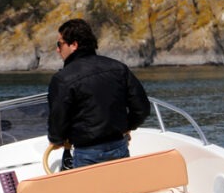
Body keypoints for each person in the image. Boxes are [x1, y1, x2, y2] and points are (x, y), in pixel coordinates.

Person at [47, 18, 150, 169]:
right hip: (119, 146)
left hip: (87, 153)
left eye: (59, 44)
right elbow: (142, 109)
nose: (57, 49)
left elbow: (58, 121)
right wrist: (126, 127)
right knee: (121, 192)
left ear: (74, 45)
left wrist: (57, 140)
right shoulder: (119, 68)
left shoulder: (63, 79)